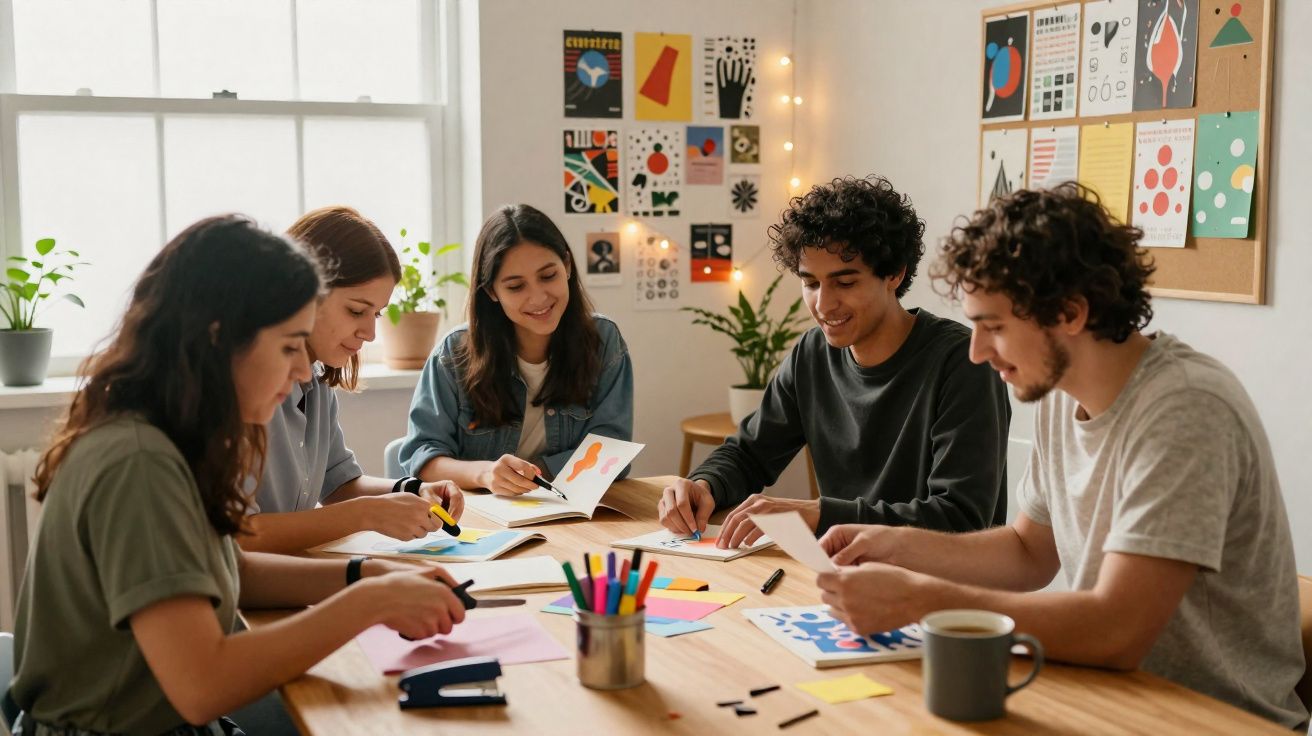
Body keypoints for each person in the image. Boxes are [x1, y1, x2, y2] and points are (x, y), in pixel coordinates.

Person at [818, 183, 1307, 729]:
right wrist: (895, 545)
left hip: (1215, 720)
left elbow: (1118, 629)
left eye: (994, 327)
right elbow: (1029, 552)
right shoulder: (1059, 391)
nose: (977, 352)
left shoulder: (1187, 408)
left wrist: (921, 601)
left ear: (1070, 313)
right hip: (1117, 699)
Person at [7, 216, 466, 735]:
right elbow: (202, 685)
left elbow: (233, 570)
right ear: (220, 338)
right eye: (289, 347)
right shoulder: (141, 463)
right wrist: (368, 602)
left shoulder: (172, 438)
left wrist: (367, 575)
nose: (303, 371)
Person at [658, 176, 1011, 548]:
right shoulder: (812, 354)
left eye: (845, 283)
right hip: (841, 568)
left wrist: (820, 514)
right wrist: (704, 485)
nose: (824, 305)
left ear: (895, 273)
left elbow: (960, 519)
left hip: (936, 580)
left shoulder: (964, 361)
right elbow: (749, 454)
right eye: (811, 283)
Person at [238, 206, 463, 555]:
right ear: (305, 294)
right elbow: (239, 538)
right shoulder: (243, 386)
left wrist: (412, 490)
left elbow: (338, 483)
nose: (370, 333)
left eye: (377, 314)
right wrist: (366, 514)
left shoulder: (317, 380)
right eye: (356, 311)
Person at [400, 204, 633, 495]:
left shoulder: (603, 341)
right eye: (515, 287)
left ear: (567, 266)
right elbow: (421, 457)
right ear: (491, 291)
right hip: (479, 514)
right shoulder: (453, 355)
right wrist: (486, 474)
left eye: (548, 276)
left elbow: (614, 452)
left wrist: (534, 474)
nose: (538, 297)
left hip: (568, 508)